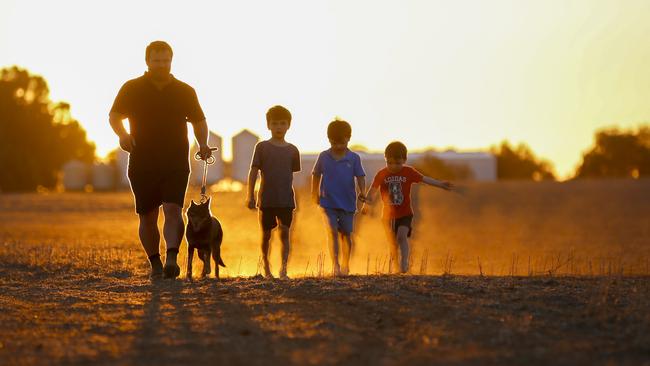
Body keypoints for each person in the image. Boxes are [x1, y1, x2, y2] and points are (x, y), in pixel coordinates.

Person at [109, 40, 213, 280]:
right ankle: (155, 263)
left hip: (175, 160)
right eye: (157, 61)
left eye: (165, 61)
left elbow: (199, 121)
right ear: (147, 61)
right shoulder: (131, 88)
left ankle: (172, 259)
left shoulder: (185, 90)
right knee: (147, 216)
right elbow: (114, 116)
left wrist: (203, 143)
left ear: (171, 61)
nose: (161, 65)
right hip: (142, 161)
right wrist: (123, 134)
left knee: (173, 210)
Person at [362, 141, 454, 273]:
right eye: (390, 162)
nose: (393, 166)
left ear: (404, 160)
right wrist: (366, 204)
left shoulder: (408, 172)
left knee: (401, 236)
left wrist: (441, 184)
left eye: (397, 163)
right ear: (385, 159)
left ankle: (404, 262)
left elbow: (424, 179)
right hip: (388, 217)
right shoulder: (381, 174)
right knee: (392, 243)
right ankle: (394, 267)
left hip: (405, 213)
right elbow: (372, 190)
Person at [246, 105, 300, 279]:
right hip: (267, 199)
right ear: (268, 125)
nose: (279, 127)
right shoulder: (261, 147)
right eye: (275, 123)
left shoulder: (293, 150)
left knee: (285, 232)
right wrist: (250, 196)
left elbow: (292, 177)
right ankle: (267, 268)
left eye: (282, 123)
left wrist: (295, 199)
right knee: (266, 235)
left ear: (288, 125)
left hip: (286, 200)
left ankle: (283, 269)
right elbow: (253, 171)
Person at [311, 120, 366, 276]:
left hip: (348, 203)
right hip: (327, 202)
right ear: (329, 139)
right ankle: (335, 264)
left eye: (341, 142)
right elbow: (315, 175)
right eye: (334, 143)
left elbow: (361, 176)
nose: (338, 146)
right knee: (332, 231)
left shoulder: (354, 158)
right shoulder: (323, 156)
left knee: (346, 234)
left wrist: (363, 191)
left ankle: (345, 264)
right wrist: (314, 193)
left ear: (348, 138)